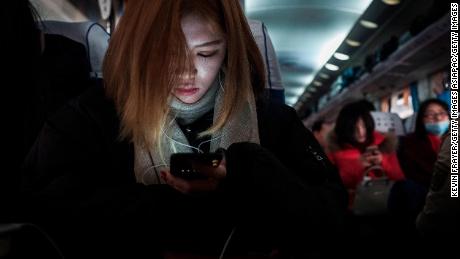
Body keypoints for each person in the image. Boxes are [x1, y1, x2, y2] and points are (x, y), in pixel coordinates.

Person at [22, 1, 347, 258]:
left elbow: (330, 215)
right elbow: (45, 211)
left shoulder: (273, 122)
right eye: (166, 54)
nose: (187, 72)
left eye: (207, 53)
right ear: (140, 49)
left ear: (230, 50)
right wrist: (179, 208)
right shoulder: (92, 118)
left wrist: (249, 171)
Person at [327, 101, 405, 207]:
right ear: (344, 129)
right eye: (354, 128)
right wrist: (358, 166)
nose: (360, 132)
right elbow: (333, 185)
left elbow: (399, 178)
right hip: (354, 207)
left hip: (388, 202)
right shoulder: (335, 151)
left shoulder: (384, 144)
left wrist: (383, 162)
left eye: (363, 126)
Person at [398, 99, 450, 189]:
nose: (438, 118)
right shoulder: (409, 144)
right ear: (421, 119)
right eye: (430, 114)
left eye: (442, 113)